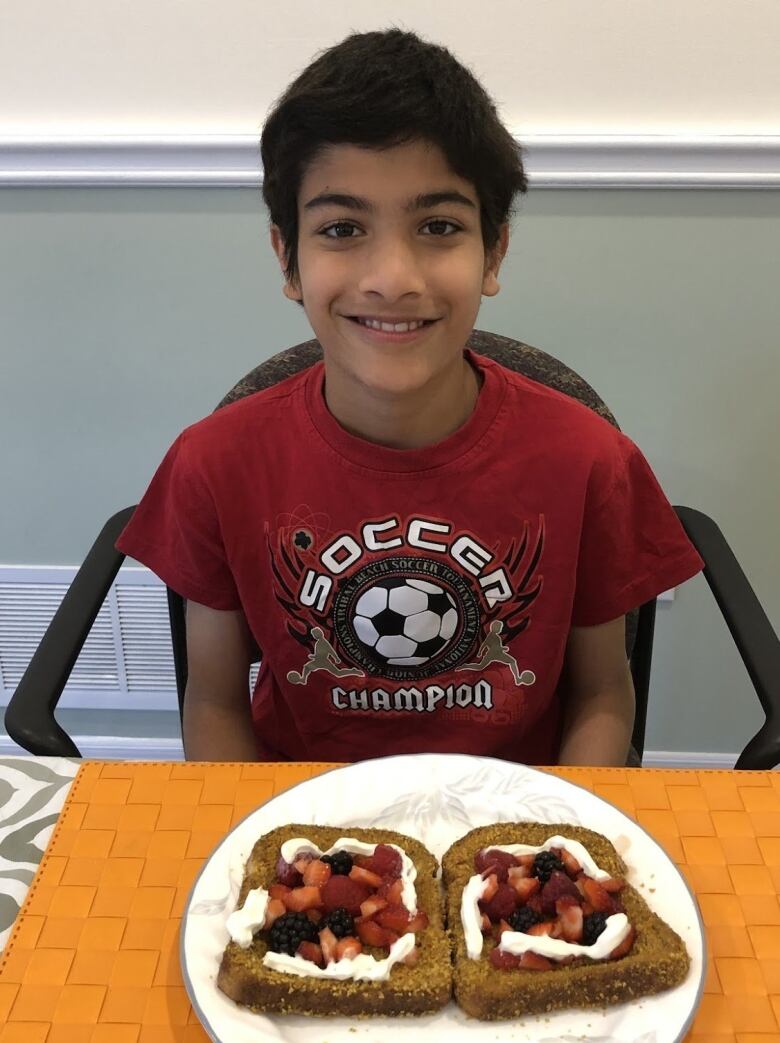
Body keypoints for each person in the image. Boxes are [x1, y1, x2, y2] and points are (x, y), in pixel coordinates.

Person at [116, 28, 703, 766]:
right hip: (304, 824)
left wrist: (559, 846)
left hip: (514, 826)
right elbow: (214, 700)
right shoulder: (213, 463)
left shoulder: (590, 462)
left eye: (437, 227)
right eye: (341, 228)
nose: (392, 275)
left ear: (494, 252)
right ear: (287, 258)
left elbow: (601, 696)